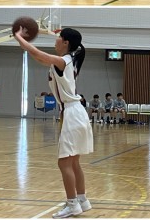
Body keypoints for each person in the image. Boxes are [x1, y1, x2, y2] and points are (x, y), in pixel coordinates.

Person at [14, 26, 93, 218]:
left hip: (72, 114)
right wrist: (29, 40)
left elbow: (37, 53)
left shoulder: (63, 61)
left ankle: (72, 204)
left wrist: (18, 37)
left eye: (59, 38)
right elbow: (39, 57)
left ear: (66, 42)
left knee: (64, 163)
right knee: (74, 162)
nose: (55, 40)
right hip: (76, 113)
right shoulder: (67, 60)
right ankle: (82, 200)